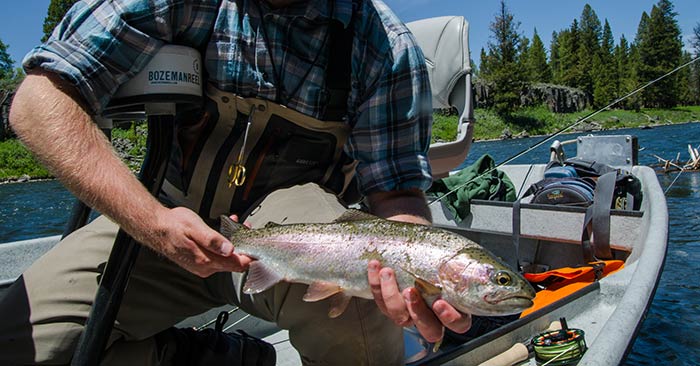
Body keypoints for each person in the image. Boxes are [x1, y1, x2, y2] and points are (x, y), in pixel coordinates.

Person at [0, 0, 471, 364]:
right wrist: (153, 222)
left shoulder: (382, 43)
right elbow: (41, 101)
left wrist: (417, 277)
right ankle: (206, 357)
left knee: (358, 321)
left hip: (301, 238)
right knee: (14, 345)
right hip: (161, 217)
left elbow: (395, 192)